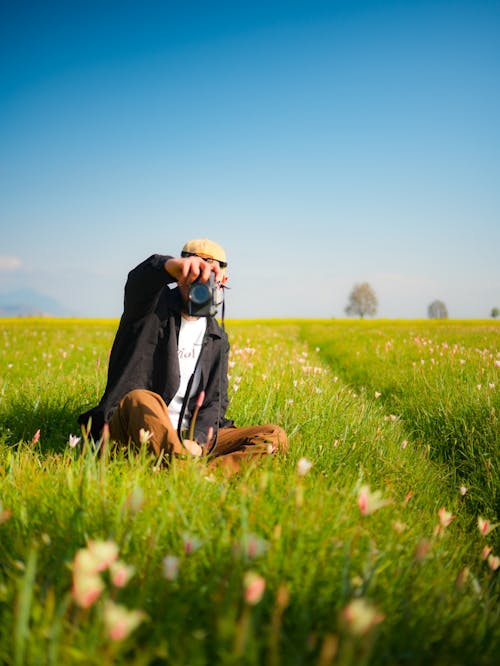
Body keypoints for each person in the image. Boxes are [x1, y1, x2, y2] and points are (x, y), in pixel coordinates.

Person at [78, 238, 288, 471]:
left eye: (209, 277)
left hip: (188, 438)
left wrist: (197, 441)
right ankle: (185, 472)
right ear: (180, 275)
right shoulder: (149, 310)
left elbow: (215, 402)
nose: (200, 285)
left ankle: (200, 475)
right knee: (140, 399)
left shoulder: (217, 337)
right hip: (136, 429)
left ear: (223, 281)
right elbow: (139, 281)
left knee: (273, 435)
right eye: (194, 275)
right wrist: (168, 267)